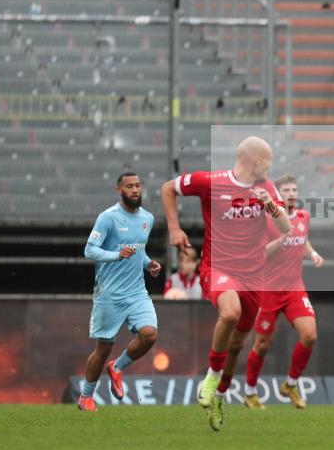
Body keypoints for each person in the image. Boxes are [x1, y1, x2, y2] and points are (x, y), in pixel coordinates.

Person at [161, 136, 291, 431]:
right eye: (268, 159)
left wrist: (270, 205)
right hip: (217, 267)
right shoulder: (212, 182)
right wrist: (173, 227)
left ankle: (220, 394)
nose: (271, 166)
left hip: (253, 276)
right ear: (256, 161)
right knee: (229, 313)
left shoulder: (266, 188)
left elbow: (286, 227)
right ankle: (210, 378)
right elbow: (168, 188)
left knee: (236, 344)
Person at [79, 172, 161, 411]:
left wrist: (148, 264)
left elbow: (139, 250)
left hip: (137, 292)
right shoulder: (108, 218)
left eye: (137, 185)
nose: (135, 190)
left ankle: (118, 367)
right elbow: (89, 250)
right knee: (103, 348)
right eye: (129, 186)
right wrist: (116, 255)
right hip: (109, 294)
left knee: (150, 334)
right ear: (119, 190)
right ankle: (86, 397)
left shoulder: (148, 218)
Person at [244, 173, 325, 409]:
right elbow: (258, 254)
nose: (292, 194)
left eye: (294, 190)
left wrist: (312, 253)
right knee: (261, 344)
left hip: (294, 289)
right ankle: (250, 392)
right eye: (286, 191)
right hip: (268, 291)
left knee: (310, 335)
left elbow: (303, 239)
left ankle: (290, 383)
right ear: (278, 195)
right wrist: (282, 238)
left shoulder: (303, 216)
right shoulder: (267, 220)